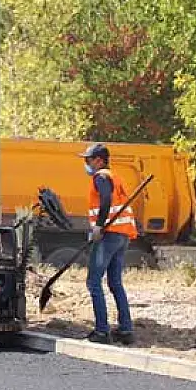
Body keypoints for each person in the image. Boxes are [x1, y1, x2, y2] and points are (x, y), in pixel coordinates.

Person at [79, 143, 138, 345]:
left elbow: (105, 200)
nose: (86, 164)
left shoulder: (101, 177)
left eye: (88, 160)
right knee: (115, 283)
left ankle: (102, 331)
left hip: (109, 235)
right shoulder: (115, 176)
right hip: (122, 236)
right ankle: (126, 330)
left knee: (93, 282)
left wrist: (99, 226)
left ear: (99, 160)